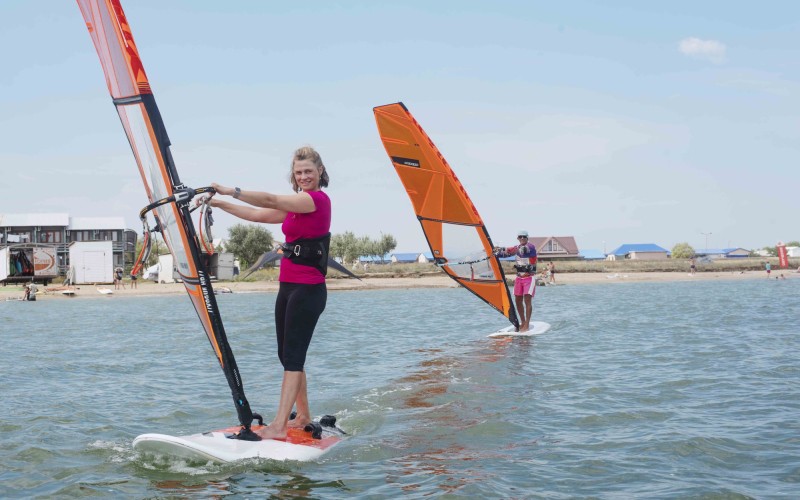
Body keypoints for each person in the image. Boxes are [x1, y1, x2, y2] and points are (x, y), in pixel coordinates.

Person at [200, 146, 330, 440]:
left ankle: (280, 425)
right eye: (298, 172)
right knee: (287, 355)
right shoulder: (296, 207)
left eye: (308, 171)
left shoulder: (315, 200)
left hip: (308, 289)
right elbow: (257, 214)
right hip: (288, 287)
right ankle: (303, 415)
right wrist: (219, 204)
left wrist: (231, 190)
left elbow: (270, 199)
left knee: (293, 357)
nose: (304, 176)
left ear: (320, 171)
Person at [494, 230, 537, 332]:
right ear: (517, 238)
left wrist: (504, 248)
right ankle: (522, 322)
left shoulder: (530, 247)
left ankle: (527, 324)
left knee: (527, 301)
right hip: (519, 278)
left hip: (529, 278)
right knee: (517, 300)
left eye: (524, 237)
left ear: (527, 238)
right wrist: (496, 252)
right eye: (520, 237)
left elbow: (522, 251)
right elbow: (505, 254)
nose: (522, 238)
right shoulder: (516, 248)